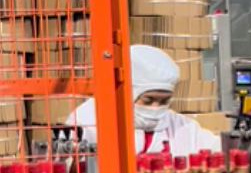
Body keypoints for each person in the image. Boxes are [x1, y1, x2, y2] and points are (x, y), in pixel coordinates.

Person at [66, 45, 223, 156]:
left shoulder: (180, 126)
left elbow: (217, 148)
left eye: (164, 101)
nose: (156, 108)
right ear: (127, 93)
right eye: (148, 100)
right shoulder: (88, 121)